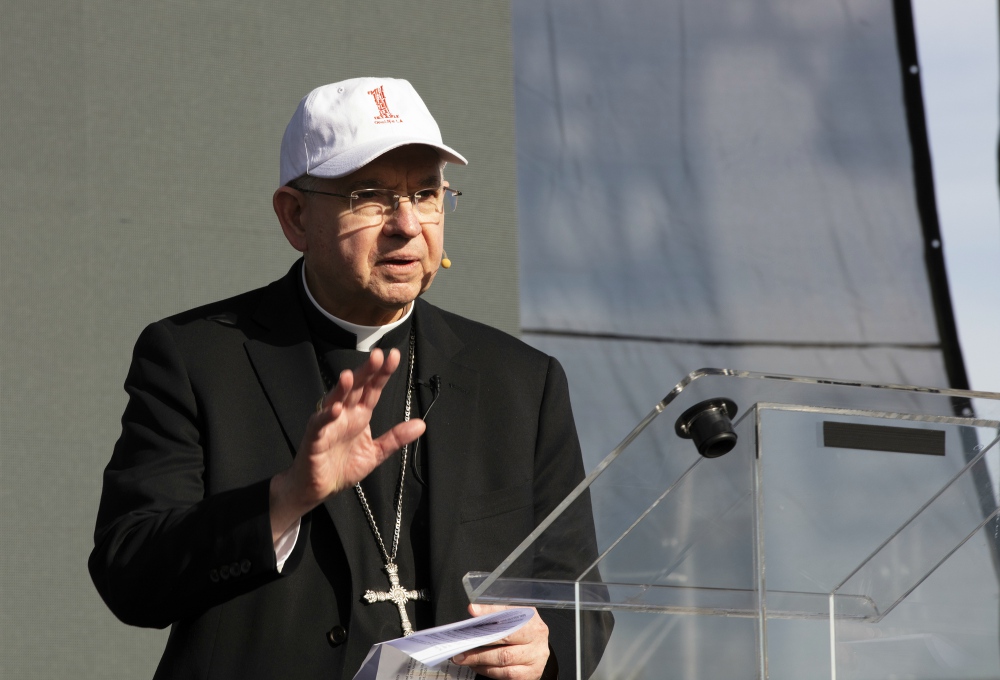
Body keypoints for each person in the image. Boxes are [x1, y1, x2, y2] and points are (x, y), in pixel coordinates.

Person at [89, 77, 610, 680]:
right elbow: (130, 573)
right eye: (371, 196)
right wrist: (286, 498)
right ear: (295, 216)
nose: (408, 224)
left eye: (426, 194)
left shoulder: (521, 382)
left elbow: (579, 603)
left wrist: (544, 651)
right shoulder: (197, 357)